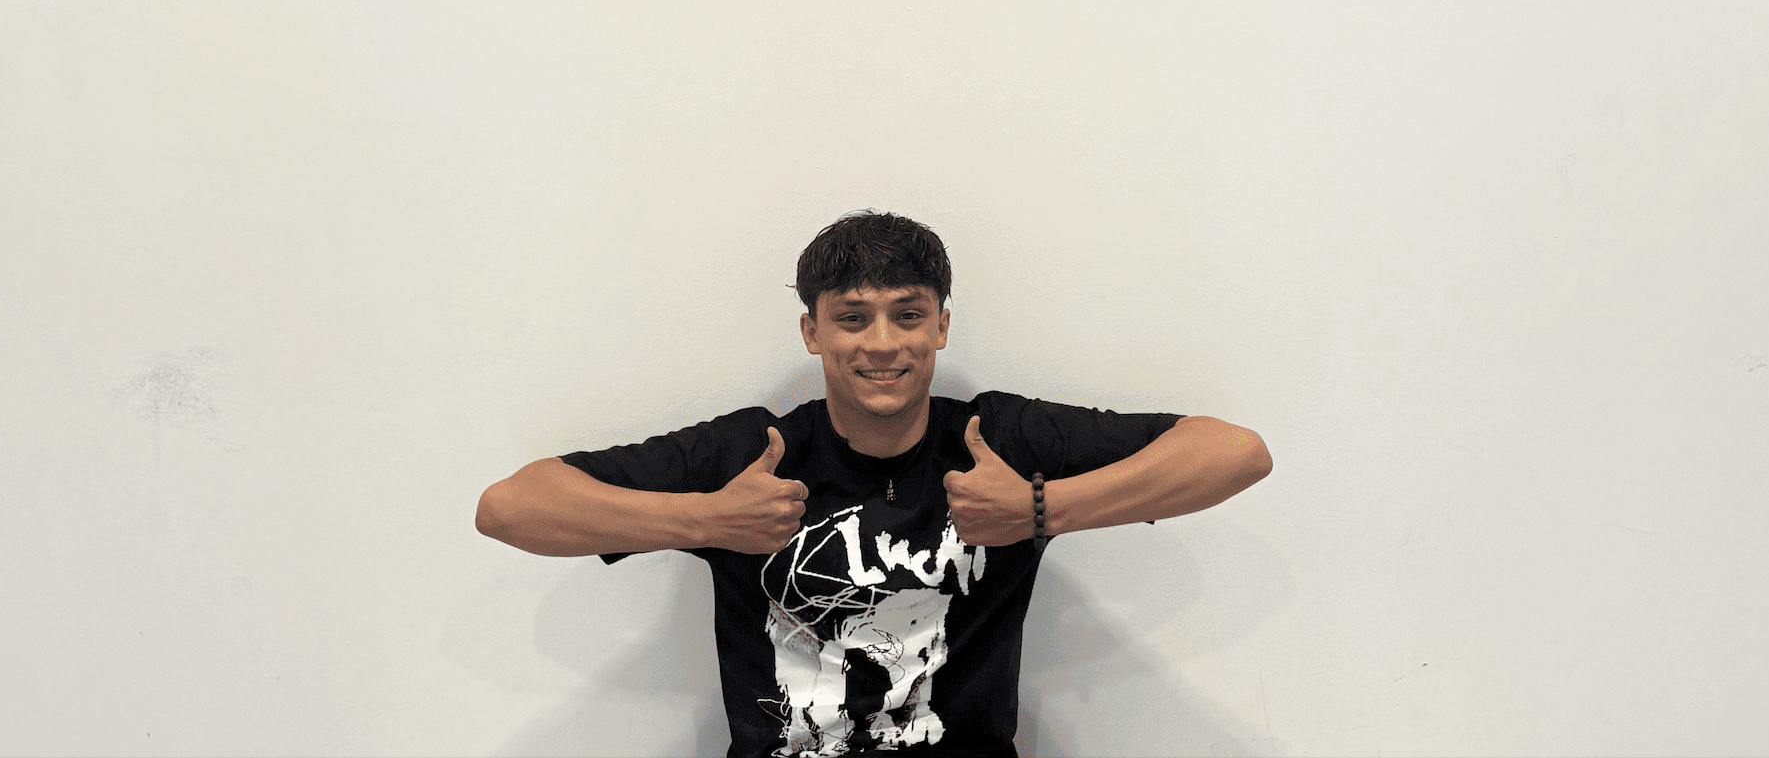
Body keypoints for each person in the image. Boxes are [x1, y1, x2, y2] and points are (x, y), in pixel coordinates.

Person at [475, 210, 1273, 756]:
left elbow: (1234, 452)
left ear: (942, 326)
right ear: (812, 331)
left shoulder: (997, 440)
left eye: (908, 314)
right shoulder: (754, 452)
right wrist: (706, 521)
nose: (883, 344)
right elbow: (510, 507)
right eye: (853, 317)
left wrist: (1039, 509)